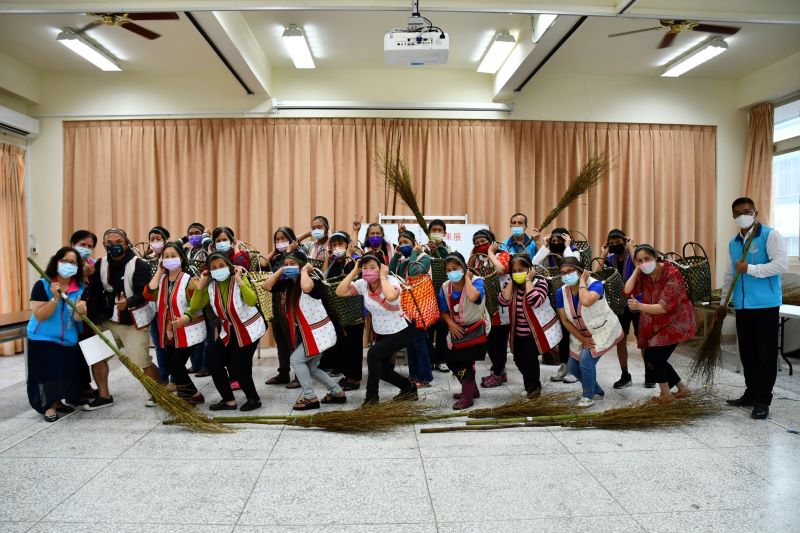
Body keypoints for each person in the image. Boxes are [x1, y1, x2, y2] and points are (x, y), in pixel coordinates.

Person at [723, 198, 788, 419]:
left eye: (747, 211)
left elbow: (780, 265)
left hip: (765, 305)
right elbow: (730, 274)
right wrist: (724, 302)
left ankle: (763, 400)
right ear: (733, 217)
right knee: (747, 352)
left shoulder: (770, 235)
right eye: (738, 213)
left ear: (755, 213)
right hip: (743, 305)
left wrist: (750, 269)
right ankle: (751, 393)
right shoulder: (733, 243)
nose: (743, 215)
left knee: (765, 354)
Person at [263, 249, 346, 410]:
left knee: (296, 360)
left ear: (302, 265)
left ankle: (310, 397)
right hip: (310, 333)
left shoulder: (313, 280)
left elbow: (307, 288)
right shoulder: (289, 283)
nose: (288, 267)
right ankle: (337, 392)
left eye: (292, 264)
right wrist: (281, 269)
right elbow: (267, 286)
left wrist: (304, 271)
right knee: (311, 368)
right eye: (286, 264)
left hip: (318, 333)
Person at [86, 227, 157, 409]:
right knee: (97, 355)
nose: (114, 246)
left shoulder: (139, 264)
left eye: (118, 242)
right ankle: (104, 395)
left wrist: (129, 302)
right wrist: (96, 322)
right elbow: (94, 295)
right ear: (104, 245)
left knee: (141, 360)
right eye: (109, 243)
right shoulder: (100, 265)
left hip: (133, 321)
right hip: (108, 320)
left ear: (126, 243)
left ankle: (157, 392)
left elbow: (145, 293)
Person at [186, 252, 266, 411]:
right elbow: (194, 307)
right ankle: (229, 400)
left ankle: (253, 399)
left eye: (221, 266)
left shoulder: (239, 279)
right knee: (213, 360)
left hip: (249, 328)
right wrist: (200, 286)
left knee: (239, 364)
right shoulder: (211, 286)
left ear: (229, 266)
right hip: (229, 329)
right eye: (214, 267)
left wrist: (240, 280)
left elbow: (251, 301)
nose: (218, 269)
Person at [335, 254, 418, 406]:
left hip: (402, 328)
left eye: (373, 267)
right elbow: (339, 292)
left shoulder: (392, 281)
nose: (368, 271)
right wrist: (354, 271)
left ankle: (371, 398)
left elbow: (391, 296)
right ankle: (408, 388)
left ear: (381, 268)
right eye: (365, 268)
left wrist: (383, 277)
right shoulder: (362, 284)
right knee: (382, 369)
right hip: (383, 330)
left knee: (373, 354)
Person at [623, 245, 695, 403]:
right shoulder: (644, 274)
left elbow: (663, 307)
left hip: (676, 321)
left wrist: (639, 306)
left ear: (655, 256)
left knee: (654, 356)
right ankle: (683, 389)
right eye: (640, 260)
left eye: (647, 259)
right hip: (656, 321)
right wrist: (637, 269)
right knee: (654, 356)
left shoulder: (672, 273)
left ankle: (665, 394)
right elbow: (627, 291)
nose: (644, 263)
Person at [26, 247, 86, 422]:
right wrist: (55, 299)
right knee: (47, 372)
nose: (69, 265)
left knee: (63, 372)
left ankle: (58, 401)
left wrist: (81, 311)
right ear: (57, 261)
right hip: (43, 337)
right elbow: (40, 315)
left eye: (73, 262)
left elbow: (77, 318)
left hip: (67, 338)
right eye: (65, 261)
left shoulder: (80, 287)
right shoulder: (42, 284)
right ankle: (49, 406)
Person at [143, 242, 206, 405]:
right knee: (173, 365)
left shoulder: (189, 280)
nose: (170, 259)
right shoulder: (162, 280)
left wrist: (186, 317)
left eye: (173, 256)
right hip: (169, 332)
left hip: (188, 331)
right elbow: (148, 294)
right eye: (166, 256)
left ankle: (188, 398)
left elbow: (198, 304)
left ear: (181, 258)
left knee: (176, 365)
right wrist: (159, 271)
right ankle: (194, 394)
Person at [557, 257, 624, 407]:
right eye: (563, 273)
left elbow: (586, 301)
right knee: (572, 366)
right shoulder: (561, 292)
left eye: (570, 271)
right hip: (580, 334)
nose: (566, 275)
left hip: (602, 330)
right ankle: (597, 391)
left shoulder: (596, 285)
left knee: (586, 361)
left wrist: (582, 281)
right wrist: (582, 339)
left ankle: (588, 395)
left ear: (581, 271)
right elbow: (565, 320)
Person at [498, 254, 563, 398]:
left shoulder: (540, 282)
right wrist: (512, 281)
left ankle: (534, 388)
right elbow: (503, 300)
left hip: (534, 332)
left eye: (521, 270)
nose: (517, 273)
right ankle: (529, 385)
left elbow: (535, 301)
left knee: (530, 359)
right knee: (518, 360)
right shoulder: (511, 283)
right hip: (517, 332)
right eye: (514, 271)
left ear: (530, 269)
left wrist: (528, 281)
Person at [596, 229, 652, 389]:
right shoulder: (610, 258)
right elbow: (597, 274)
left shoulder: (632, 255)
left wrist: (632, 247)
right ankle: (625, 375)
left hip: (638, 302)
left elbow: (641, 268)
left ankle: (650, 374)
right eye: (611, 243)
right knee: (621, 340)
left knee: (643, 341)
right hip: (620, 305)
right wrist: (603, 253)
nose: (615, 245)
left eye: (617, 242)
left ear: (625, 241)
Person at [439, 252, 489, 409]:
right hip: (456, 330)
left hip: (475, 328)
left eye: (455, 268)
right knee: (451, 361)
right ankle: (471, 389)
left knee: (466, 362)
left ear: (464, 268)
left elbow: (474, 297)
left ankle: (467, 398)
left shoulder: (477, 281)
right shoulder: (445, 286)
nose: (452, 272)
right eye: (448, 270)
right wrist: (451, 324)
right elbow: (443, 310)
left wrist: (467, 278)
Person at [533, 227, 580, 384]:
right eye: (553, 240)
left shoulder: (573, 251)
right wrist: (545, 246)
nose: (556, 242)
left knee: (575, 336)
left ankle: (575, 369)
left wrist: (567, 246)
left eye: (560, 240)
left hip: (574, 298)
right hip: (557, 299)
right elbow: (534, 264)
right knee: (563, 336)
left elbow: (573, 263)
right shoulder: (549, 255)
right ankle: (564, 366)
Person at [389, 230, 434, 388]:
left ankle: (425, 377)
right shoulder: (403, 260)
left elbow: (415, 273)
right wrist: (396, 255)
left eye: (406, 242)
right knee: (410, 343)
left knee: (419, 342)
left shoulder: (424, 258)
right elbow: (391, 274)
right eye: (400, 243)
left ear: (414, 243)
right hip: (405, 306)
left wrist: (414, 252)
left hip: (419, 305)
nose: (403, 245)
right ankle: (413, 375)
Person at [321, 230, 365, 391]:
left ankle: (354, 379)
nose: (337, 247)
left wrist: (349, 255)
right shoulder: (334, 262)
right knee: (343, 346)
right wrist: (328, 258)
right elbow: (323, 278)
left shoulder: (354, 261)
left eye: (340, 244)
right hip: (337, 313)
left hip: (353, 313)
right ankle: (347, 375)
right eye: (334, 244)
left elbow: (350, 278)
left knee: (353, 346)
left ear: (347, 245)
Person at [468, 230, 510, 392]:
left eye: (483, 242)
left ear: (492, 242)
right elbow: (469, 273)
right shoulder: (477, 260)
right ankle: (499, 371)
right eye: (476, 243)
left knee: (498, 342)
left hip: (500, 306)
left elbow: (500, 270)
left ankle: (498, 373)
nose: (480, 245)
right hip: (484, 306)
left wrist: (491, 253)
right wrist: (472, 256)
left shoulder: (502, 255)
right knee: (490, 341)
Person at [263, 226, 301, 389]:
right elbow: (262, 266)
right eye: (277, 239)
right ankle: (283, 373)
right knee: (281, 342)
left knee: (293, 341)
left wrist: (288, 252)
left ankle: (299, 376)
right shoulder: (277, 257)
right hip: (276, 303)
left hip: (290, 303)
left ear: (291, 239)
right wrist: (274, 251)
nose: (280, 241)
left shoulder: (298, 255)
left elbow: (287, 272)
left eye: (283, 238)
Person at [69, 230, 99, 402]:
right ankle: (75, 391)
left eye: (90, 246)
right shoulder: (65, 263)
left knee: (85, 352)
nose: (86, 249)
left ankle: (85, 386)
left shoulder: (93, 264)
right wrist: (81, 273)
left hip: (88, 316)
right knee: (73, 354)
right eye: (82, 245)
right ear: (72, 244)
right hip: (70, 318)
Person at [184, 222, 213, 378]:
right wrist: (184, 238)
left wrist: (206, 236)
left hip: (205, 294)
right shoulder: (186, 251)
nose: (194, 236)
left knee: (207, 334)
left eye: (197, 233)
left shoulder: (207, 249)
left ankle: (206, 366)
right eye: (191, 234)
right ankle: (196, 364)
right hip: (190, 294)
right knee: (194, 331)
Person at [146, 225, 172, 386]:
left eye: (158, 238)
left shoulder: (173, 259)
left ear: (166, 241)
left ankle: (176, 378)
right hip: (154, 310)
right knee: (159, 345)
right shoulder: (146, 262)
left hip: (172, 311)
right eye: (152, 239)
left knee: (173, 346)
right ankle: (163, 378)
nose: (155, 241)